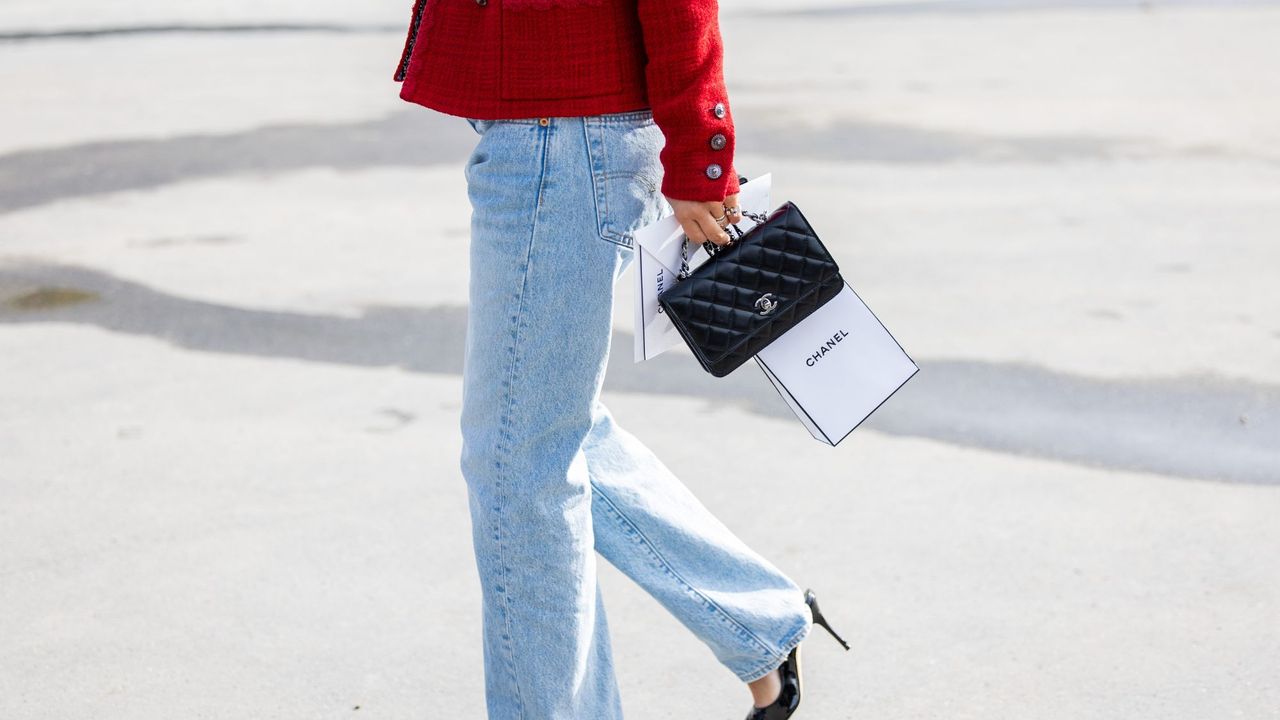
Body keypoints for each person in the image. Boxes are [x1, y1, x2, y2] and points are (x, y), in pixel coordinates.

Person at [393, 0, 848, 717]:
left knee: (522, 460)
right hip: (544, 128)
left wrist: (702, 151)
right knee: (543, 434)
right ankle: (759, 618)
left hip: (564, 138)